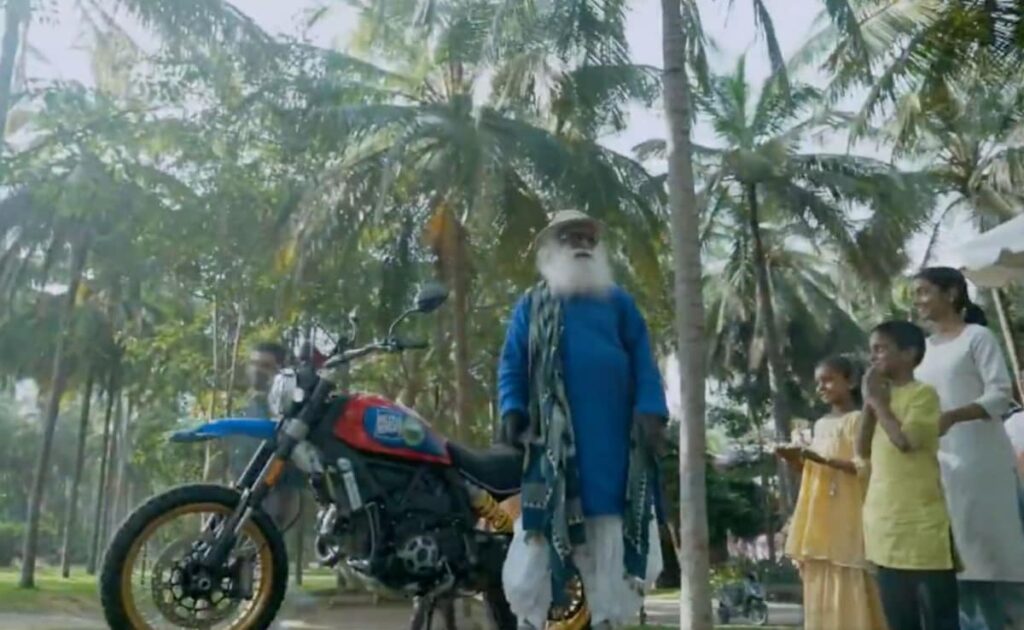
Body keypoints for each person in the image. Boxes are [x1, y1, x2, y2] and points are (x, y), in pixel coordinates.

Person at [497, 210, 665, 630]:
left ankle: (604, 620)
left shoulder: (619, 304)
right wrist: (512, 409)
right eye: (572, 237)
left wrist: (651, 409)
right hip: (549, 451)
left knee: (608, 540)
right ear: (553, 248)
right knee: (540, 546)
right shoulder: (531, 304)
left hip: (613, 449)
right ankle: (540, 621)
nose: (582, 245)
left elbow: (645, 363)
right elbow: (512, 364)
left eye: (589, 239)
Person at [912, 267, 1024, 629]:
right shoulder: (921, 351)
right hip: (938, 468)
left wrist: (954, 416)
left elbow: (1000, 393)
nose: (918, 301)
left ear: (951, 294)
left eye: (924, 292)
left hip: (981, 465)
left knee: (997, 560)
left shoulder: (978, 337)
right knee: (956, 565)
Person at [857, 320, 959, 630]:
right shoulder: (879, 401)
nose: (873, 357)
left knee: (939, 620)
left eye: (881, 349)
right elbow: (861, 448)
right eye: (871, 350)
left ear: (909, 353)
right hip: (885, 527)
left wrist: (878, 402)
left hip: (922, 528)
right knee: (900, 621)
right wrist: (869, 404)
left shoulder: (923, 395)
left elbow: (905, 442)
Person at [782, 355, 887, 630]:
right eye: (818, 383)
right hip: (820, 513)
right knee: (821, 568)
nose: (822, 387)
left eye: (828, 380)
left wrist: (821, 459)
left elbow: (864, 467)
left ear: (850, 382)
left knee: (851, 568)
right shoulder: (820, 424)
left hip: (849, 510)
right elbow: (813, 470)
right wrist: (794, 459)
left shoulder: (859, 420)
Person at [228, 340, 302, 530]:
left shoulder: (287, 411)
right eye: (254, 363)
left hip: (273, 497)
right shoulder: (240, 409)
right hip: (238, 495)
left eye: (266, 366)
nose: (257, 370)